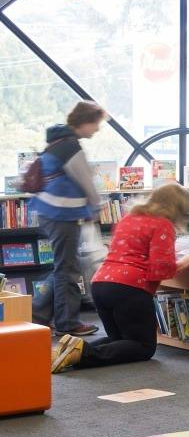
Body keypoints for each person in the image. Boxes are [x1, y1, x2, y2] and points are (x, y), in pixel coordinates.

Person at [52, 182, 189, 372]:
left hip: (101, 283)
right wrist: (188, 260)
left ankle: (68, 349)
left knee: (120, 340)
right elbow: (160, 269)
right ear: (177, 209)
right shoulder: (162, 225)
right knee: (143, 347)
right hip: (130, 289)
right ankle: (82, 354)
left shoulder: (129, 218)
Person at [27, 101, 109, 337]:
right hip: (61, 214)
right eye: (96, 124)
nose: (97, 129)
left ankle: (38, 315)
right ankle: (68, 322)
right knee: (68, 270)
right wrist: (97, 206)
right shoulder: (71, 146)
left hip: (52, 212)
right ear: (85, 122)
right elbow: (86, 182)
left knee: (65, 267)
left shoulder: (58, 141)